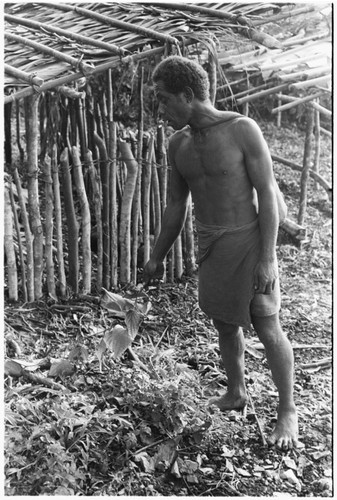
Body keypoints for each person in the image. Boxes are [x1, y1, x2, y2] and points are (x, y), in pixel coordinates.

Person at [143, 55, 298, 450]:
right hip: (212, 244)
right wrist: (157, 256)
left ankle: (288, 410)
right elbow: (176, 205)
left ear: (187, 95)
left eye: (163, 100)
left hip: (250, 241)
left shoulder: (242, 130)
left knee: (266, 325)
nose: (160, 110)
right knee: (224, 324)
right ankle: (236, 392)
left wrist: (267, 257)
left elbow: (267, 194)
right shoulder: (177, 145)